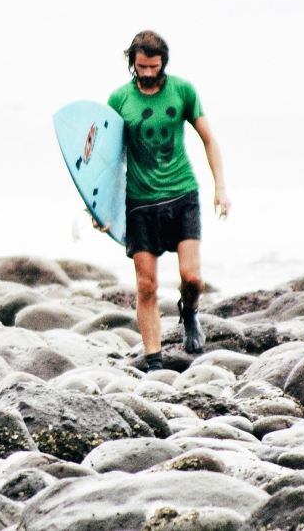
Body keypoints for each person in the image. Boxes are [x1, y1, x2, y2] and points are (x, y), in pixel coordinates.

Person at [99, 30, 230, 372]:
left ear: (163, 63)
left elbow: (208, 139)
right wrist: (100, 209)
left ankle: (189, 314)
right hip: (140, 202)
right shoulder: (119, 100)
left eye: (152, 66)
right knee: (146, 285)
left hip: (182, 194)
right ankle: (154, 362)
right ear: (133, 63)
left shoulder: (182, 91)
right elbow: (106, 160)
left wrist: (220, 188)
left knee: (192, 278)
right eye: (140, 66)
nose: (146, 72)